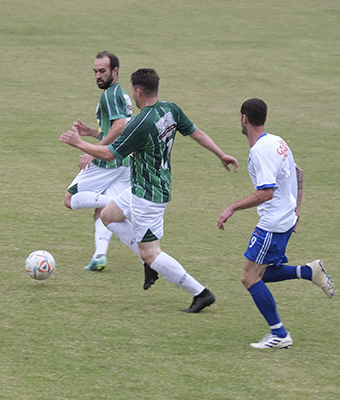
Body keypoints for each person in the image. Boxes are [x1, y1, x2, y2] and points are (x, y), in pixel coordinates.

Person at [60, 68, 239, 312]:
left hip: (148, 195)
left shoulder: (141, 124)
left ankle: (200, 293)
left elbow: (109, 154)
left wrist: (80, 143)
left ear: (138, 91)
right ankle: (149, 262)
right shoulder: (170, 109)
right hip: (145, 186)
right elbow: (196, 132)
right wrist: (221, 154)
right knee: (107, 216)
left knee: (152, 253)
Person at [217, 98, 334, 349]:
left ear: (244, 118)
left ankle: (279, 334)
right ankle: (308, 271)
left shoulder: (260, 151)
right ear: (264, 119)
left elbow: (266, 193)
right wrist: (297, 209)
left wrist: (232, 208)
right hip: (285, 218)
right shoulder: (277, 141)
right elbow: (298, 172)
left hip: (272, 224)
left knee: (249, 277)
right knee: (262, 273)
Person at [63, 51, 132, 272]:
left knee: (70, 198)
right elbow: (118, 129)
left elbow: (120, 126)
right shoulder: (122, 95)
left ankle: (113, 204)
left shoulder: (110, 95)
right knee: (102, 213)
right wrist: (93, 132)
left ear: (115, 71)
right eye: (95, 72)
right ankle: (99, 256)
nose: (97, 76)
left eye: (102, 71)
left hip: (107, 163)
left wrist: (93, 151)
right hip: (125, 163)